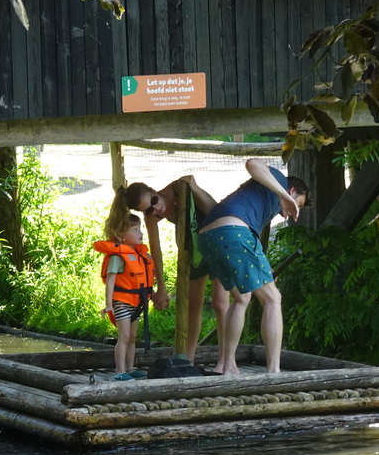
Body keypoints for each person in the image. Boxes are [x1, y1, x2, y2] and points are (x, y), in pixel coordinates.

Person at [197, 158, 310, 375]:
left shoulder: (263, 201)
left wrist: (266, 271)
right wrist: (284, 195)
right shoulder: (278, 180)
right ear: (293, 189)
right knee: (273, 299)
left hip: (210, 238)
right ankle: (274, 372)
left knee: (242, 297)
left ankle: (228, 366)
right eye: (299, 203)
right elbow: (252, 163)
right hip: (234, 231)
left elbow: (250, 246)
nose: (293, 212)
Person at [114, 177, 230, 371]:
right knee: (192, 304)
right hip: (190, 248)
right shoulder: (151, 216)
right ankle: (188, 359)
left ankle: (225, 360)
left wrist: (194, 187)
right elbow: (156, 251)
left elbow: (214, 209)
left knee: (220, 303)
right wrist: (161, 287)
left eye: (154, 202)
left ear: (154, 191)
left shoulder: (178, 189)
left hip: (215, 240)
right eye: (148, 210)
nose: (155, 210)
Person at [93, 212, 155, 381]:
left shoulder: (141, 256)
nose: (140, 233)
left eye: (140, 229)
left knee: (133, 337)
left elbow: (145, 281)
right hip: (121, 302)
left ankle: (130, 368)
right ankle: (120, 371)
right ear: (121, 236)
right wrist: (108, 304)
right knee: (125, 336)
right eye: (135, 230)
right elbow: (111, 282)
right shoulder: (117, 257)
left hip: (137, 303)